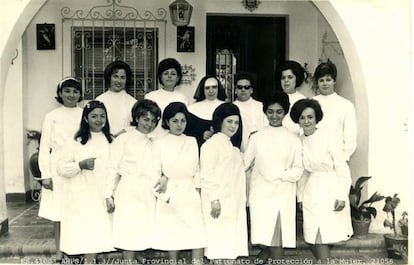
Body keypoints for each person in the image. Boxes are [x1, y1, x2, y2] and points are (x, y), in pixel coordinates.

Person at [290, 98, 353, 263]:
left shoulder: (328, 137)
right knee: (312, 236)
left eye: (310, 117)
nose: (306, 121)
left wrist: (341, 195)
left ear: (316, 118)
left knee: (324, 236)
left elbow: (342, 167)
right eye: (302, 118)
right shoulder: (299, 141)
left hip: (331, 189)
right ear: (298, 120)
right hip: (312, 191)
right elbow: (303, 173)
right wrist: (301, 197)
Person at [244, 92, 303, 262]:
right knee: (263, 236)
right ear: (265, 112)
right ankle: (264, 255)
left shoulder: (293, 139)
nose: (274, 116)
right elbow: (244, 164)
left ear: (285, 112)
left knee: (277, 237)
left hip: (282, 194)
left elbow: (298, 170)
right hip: (260, 195)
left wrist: (277, 174)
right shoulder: (256, 138)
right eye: (270, 111)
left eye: (278, 112)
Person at [104, 99, 162, 263]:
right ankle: (128, 260)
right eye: (145, 119)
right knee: (129, 228)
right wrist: (108, 194)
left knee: (143, 228)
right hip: (129, 189)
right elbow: (112, 167)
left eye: (153, 121)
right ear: (137, 118)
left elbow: (160, 166)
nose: (149, 124)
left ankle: (136, 255)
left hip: (148, 190)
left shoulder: (156, 141)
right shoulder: (123, 139)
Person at [57, 100, 114, 263]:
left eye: (102, 116)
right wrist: (79, 165)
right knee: (85, 234)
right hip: (80, 195)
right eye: (94, 116)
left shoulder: (110, 140)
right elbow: (61, 168)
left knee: (99, 234)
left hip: (102, 193)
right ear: (86, 119)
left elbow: (114, 170)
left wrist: (110, 194)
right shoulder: (76, 141)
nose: (98, 120)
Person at [153, 102, 206, 265]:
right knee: (173, 236)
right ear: (167, 121)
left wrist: (197, 192)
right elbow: (154, 175)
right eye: (175, 121)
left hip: (190, 191)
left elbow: (197, 168)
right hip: (169, 193)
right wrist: (166, 197)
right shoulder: (158, 143)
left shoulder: (191, 141)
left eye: (183, 121)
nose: (179, 125)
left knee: (197, 235)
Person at [37, 77, 83, 262]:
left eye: (75, 91)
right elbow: (44, 146)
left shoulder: (84, 114)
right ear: (60, 93)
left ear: (80, 94)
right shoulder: (51, 116)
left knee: (78, 209)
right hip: (57, 168)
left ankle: (77, 247)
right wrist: (46, 175)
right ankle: (59, 249)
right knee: (59, 211)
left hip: (79, 166)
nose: (71, 95)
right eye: (67, 91)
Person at [199, 103, 248, 263]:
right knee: (218, 248)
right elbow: (206, 174)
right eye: (229, 121)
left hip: (232, 203)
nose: (233, 126)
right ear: (220, 122)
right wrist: (214, 200)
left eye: (236, 122)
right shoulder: (211, 145)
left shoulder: (232, 148)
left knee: (229, 249)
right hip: (217, 204)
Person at [312, 60, 357, 161]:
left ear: (334, 81)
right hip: (315, 158)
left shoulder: (346, 105)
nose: (325, 83)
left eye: (328, 80)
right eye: (321, 80)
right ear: (317, 83)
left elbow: (350, 136)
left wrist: (342, 158)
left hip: (337, 159)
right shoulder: (311, 103)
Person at [145, 58, 188, 139]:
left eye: (173, 74)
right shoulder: (150, 97)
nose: (169, 76)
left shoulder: (182, 98)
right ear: (160, 77)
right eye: (166, 73)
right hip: (153, 138)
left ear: (178, 78)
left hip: (174, 140)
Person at [96, 60, 137, 138]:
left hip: (126, 141)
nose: (119, 81)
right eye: (115, 76)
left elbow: (137, 125)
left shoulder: (133, 102)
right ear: (109, 77)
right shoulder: (99, 100)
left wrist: (123, 132)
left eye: (122, 77)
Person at [186, 75, 226, 148]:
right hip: (198, 148)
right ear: (202, 90)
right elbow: (187, 133)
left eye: (214, 87)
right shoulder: (192, 109)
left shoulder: (226, 107)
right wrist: (201, 135)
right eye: (207, 88)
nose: (211, 91)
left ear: (218, 88)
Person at [232, 72, 268, 151]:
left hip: (260, 147)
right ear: (235, 90)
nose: (243, 90)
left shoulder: (260, 106)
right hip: (239, 150)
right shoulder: (231, 108)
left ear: (251, 90)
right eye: (240, 87)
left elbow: (267, 127)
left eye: (247, 87)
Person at [275, 60, 307, 134]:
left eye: (290, 77)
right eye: (283, 78)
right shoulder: (274, 99)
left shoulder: (303, 100)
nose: (286, 80)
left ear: (297, 78)